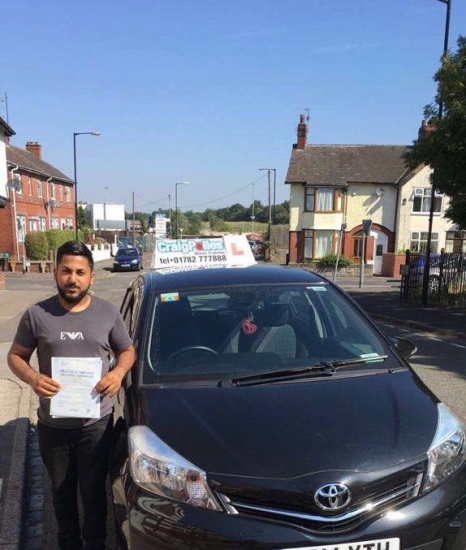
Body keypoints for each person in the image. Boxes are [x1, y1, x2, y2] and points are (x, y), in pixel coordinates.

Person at [7, 240, 135, 550]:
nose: (72, 278)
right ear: (55, 272)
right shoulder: (36, 314)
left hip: (95, 424)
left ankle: (95, 544)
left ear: (92, 276)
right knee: (61, 492)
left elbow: (127, 350)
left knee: (93, 492)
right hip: (53, 426)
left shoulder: (106, 313)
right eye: (66, 270)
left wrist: (117, 373)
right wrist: (33, 378)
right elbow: (15, 356)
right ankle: (68, 544)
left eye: (80, 272)